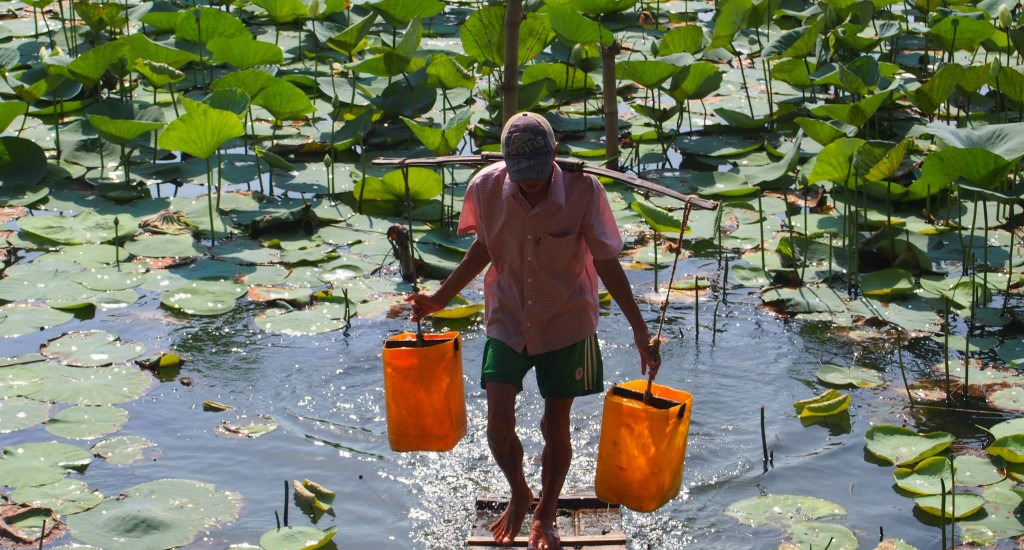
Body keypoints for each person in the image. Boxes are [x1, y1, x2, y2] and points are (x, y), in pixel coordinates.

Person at [405, 111, 659, 550]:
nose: (531, 184)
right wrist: (440, 299)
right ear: (505, 165)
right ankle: (520, 491)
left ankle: (546, 514)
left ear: (555, 156)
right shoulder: (486, 188)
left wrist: (640, 329)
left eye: (539, 174)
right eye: (521, 177)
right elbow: (483, 246)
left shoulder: (583, 190)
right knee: (497, 420)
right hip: (506, 315)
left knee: (554, 421)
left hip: (567, 320)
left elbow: (606, 261)